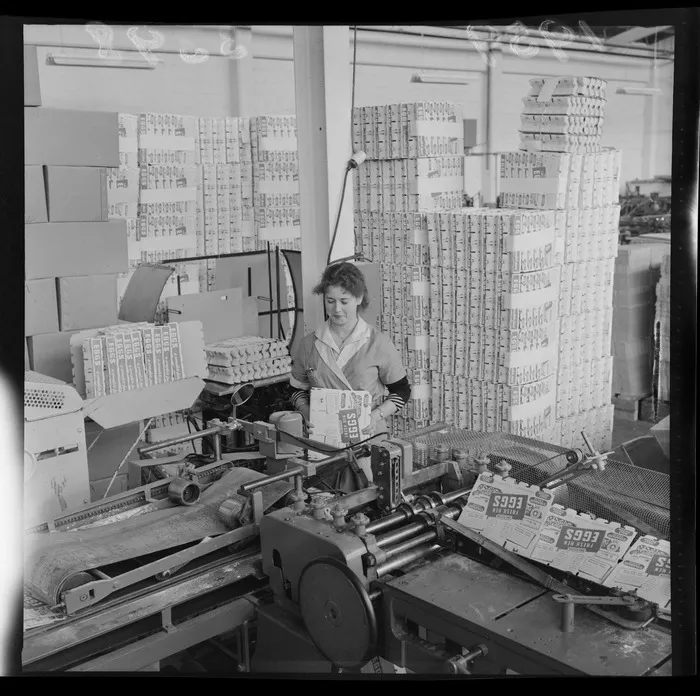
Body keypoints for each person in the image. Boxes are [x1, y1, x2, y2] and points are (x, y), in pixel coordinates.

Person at [289, 262, 411, 491]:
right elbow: (296, 389)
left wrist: (375, 416)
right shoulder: (309, 344)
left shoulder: (378, 343)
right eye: (330, 301)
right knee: (322, 500)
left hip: (367, 437)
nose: (336, 309)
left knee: (372, 496)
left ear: (358, 298)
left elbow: (402, 392)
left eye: (344, 301)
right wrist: (307, 413)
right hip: (323, 440)